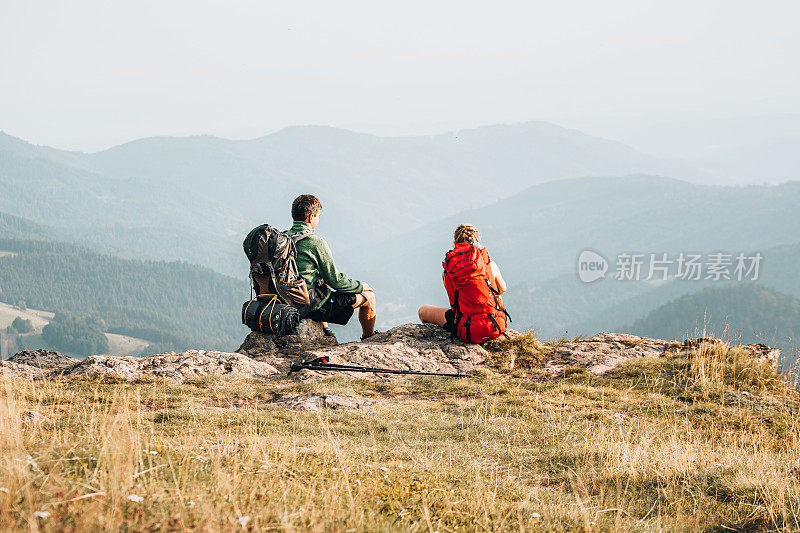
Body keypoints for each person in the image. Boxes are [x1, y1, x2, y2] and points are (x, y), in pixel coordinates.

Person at [287, 194, 377, 340]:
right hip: (310, 307)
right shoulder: (314, 242)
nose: (318, 220)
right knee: (369, 297)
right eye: (318, 217)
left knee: (319, 284)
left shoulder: (283, 239)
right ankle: (369, 338)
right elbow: (335, 280)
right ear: (311, 217)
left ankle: (325, 330)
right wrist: (360, 286)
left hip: (286, 301)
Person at [418, 224, 509, 343]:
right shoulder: (489, 264)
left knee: (423, 310)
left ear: (455, 241)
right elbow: (502, 289)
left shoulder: (450, 269)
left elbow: (454, 299)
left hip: (466, 328)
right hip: (496, 325)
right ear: (476, 240)